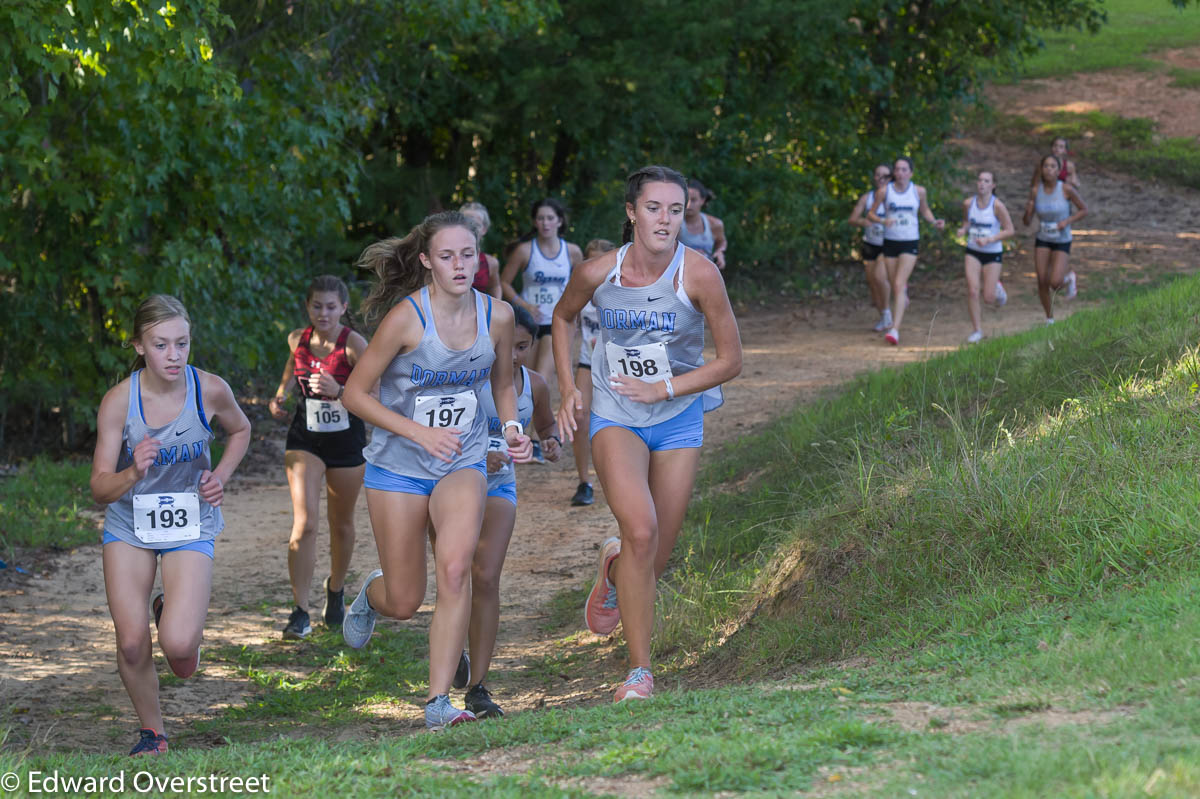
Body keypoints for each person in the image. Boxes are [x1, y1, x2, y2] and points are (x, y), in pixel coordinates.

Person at [552, 166, 742, 702]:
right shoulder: (596, 273)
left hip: (678, 415)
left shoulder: (699, 274)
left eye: (675, 210)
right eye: (654, 208)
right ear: (632, 212)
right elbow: (562, 319)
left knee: (651, 556)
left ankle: (613, 573)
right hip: (616, 412)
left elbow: (732, 361)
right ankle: (639, 672)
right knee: (640, 530)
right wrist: (569, 387)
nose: (665, 219)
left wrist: (666, 389)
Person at [340, 212, 532, 731]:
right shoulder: (406, 319)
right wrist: (416, 431)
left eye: (468, 254)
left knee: (455, 569)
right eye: (447, 256)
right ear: (426, 260)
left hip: (462, 460)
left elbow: (503, 384)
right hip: (398, 467)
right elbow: (353, 394)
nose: (459, 265)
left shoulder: (497, 317)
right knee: (405, 600)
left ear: (481, 258)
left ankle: (438, 703)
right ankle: (371, 596)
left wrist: (512, 428)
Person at [90, 294, 250, 756]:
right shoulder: (120, 401)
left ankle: (173, 619)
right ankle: (153, 733)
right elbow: (100, 488)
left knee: (180, 653)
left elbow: (240, 431)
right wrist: (132, 472)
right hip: (129, 526)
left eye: (182, 344)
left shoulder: (209, 389)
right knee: (133, 641)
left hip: (190, 523)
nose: (174, 355)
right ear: (139, 345)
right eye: (161, 345)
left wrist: (219, 476)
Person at [435, 305, 561, 719]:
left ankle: (478, 687)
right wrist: (476, 453)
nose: (512, 357)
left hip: (499, 487)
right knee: (451, 576)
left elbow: (544, 425)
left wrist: (551, 441)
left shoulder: (534, 384)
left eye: (522, 347)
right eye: (505, 347)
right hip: (450, 482)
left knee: (485, 576)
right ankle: (452, 654)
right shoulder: (465, 378)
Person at [267, 276, 368, 639]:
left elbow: (373, 392)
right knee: (305, 523)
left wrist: (340, 390)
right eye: (316, 306)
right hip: (305, 438)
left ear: (343, 307)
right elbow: (291, 373)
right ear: (307, 307)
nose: (323, 313)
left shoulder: (353, 344)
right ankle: (299, 611)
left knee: (341, 524)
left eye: (331, 306)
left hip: (346, 442)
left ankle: (336, 590)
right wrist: (280, 395)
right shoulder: (297, 339)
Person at [866, 156, 945, 346]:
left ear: (911, 173)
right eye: (897, 169)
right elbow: (871, 213)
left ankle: (895, 329)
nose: (900, 173)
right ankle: (903, 296)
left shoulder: (918, 191)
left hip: (910, 241)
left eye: (904, 169)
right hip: (890, 241)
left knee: (899, 284)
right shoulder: (885, 192)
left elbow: (925, 211)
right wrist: (883, 221)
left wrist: (934, 222)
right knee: (895, 284)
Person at [500, 198, 583, 376]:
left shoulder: (572, 251)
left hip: (558, 320)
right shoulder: (524, 250)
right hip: (530, 321)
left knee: (542, 378)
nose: (545, 223)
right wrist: (524, 305)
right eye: (540, 218)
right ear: (534, 222)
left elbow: (581, 287)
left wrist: (577, 315)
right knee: (525, 377)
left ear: (559, 221)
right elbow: (504, 282)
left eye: (550, 218)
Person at [569, 238, 617, 506]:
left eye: (602, 262)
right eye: (591, 262)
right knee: (580, 415)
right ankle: (584, 482)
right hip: (588, 362)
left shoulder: (623, 289)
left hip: (618, 366)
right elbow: (567, 322)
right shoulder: (580, 290)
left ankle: (619, 477)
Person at [1023, 154, 1089, 325]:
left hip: (1062, 238)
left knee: (1054, 282)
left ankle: (1068, 278)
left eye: (1053, 166)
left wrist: (1066, 221)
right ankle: (1049, 318)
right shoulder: (1036, 190)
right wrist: (1029, 210)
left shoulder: (1066, 189)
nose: (1049, 169)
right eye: (1046, 166)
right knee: (1042, 279)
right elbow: (1026, 222)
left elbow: (1084, 210)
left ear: (1059, 171)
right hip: (1043, 237)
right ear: (1041, 169)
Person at [956, 171, 1016, 343]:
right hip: (973, 251)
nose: (982, 183)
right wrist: (963, 230)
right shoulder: (968, 203)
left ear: (993, 185)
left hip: (992, 252)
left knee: (989, 298)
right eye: (980, 180)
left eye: (986, 181)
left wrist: (990, 238)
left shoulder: (997, 206)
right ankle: (977, 330)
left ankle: (996, 287)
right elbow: (967, 223)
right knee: (973, 290)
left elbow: (1010, 230)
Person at [848, 165, 893, 332]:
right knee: (872, 282)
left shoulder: (895, 198)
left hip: (888, 243)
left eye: (885, 176)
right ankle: (883, 314)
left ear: (891, 178)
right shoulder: (867, 198)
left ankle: (888, 311)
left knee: (880, 277)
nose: (881, 179)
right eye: (878, 175)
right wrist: (862, 222)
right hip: (870, 243)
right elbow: (852, 218)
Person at [678, 179, 728, 270]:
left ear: (703, 200)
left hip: (708, 275)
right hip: (680, 276)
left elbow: (721, 241)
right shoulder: (674, 224)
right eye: (686, 199)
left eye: (693, 200)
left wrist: (720, 252)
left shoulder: (715, 224)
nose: (688, 205)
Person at [460, 202, 503, 300]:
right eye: (466, 223)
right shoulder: (446, 258)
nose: (471, 228)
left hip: (479, 314)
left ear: (484, 229)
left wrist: (497, 309)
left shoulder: (491, 263)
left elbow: (495, 286)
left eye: (476, 225)